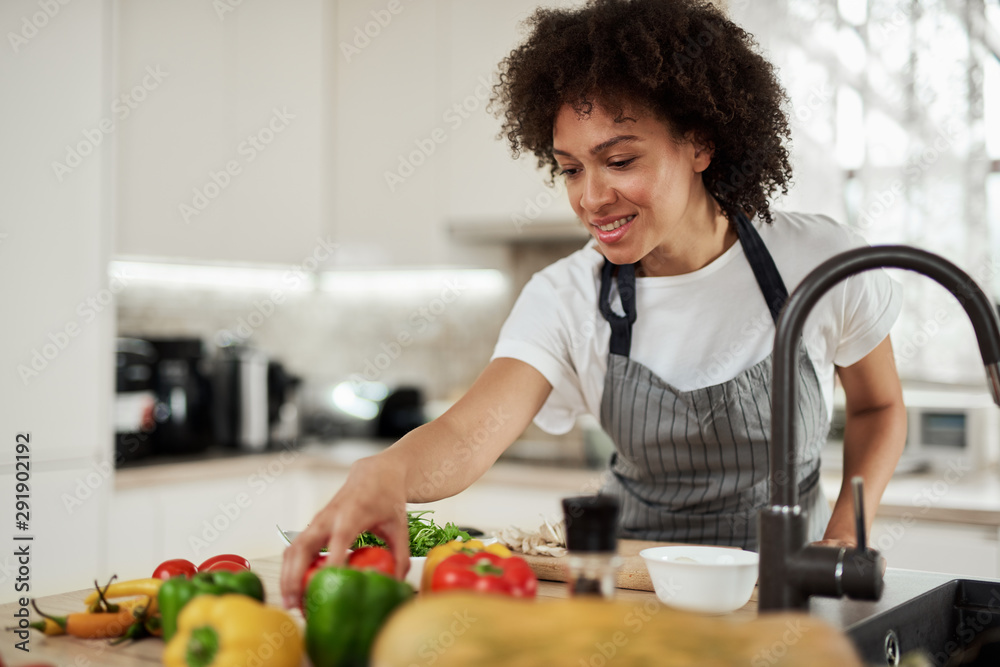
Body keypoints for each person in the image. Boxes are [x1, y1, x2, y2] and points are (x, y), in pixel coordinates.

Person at [280, 0, 907, 608]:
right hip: (629, 591)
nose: (592, 197)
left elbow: (878, 406)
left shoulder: (821, 260)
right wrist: (386, 473)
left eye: (620, 160)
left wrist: (845, 535)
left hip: (786, 588)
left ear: (699, 144)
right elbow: (469, 434)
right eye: (571, 169)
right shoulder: (565, 295)